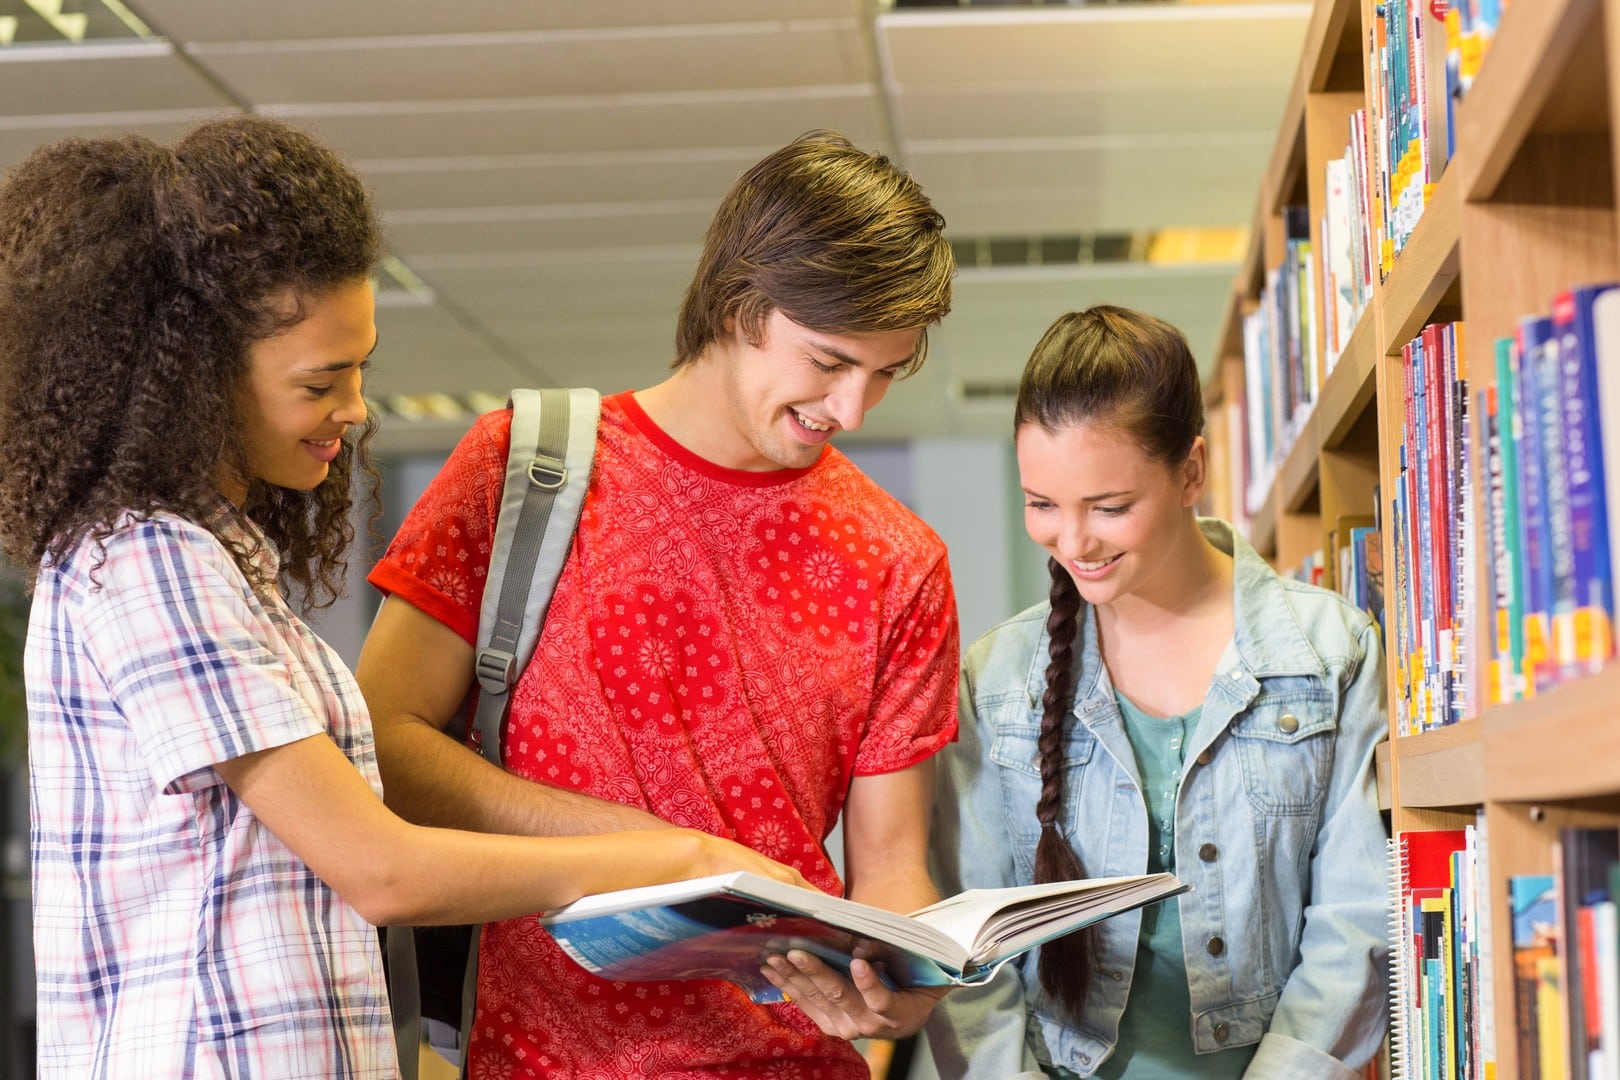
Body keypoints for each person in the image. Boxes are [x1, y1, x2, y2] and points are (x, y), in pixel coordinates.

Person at [0, 116, 807, 1080]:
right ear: (194, 379)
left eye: (361, 367)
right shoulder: (147, 560)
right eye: (321, 379)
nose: (354, 406)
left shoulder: (217, 561)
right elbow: (381, 869)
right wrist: (673, 862)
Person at [356, 130, 961, 1077]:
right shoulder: (524, 470)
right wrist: (665, 854)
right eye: (828, 362)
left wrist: (908, 968)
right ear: (736, 305)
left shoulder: (902, 559)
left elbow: (892, 865)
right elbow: (384, 744)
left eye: (887, 371)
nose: (854, 409)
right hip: (532, 1057)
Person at [925, 306, 1388, 1079]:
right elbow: (966, 953)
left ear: (1191, 471)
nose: (1073, 543)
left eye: (1109, 508)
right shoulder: (997, 681)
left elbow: (1357, 920)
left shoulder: (1329, 654)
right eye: (1042, 504)